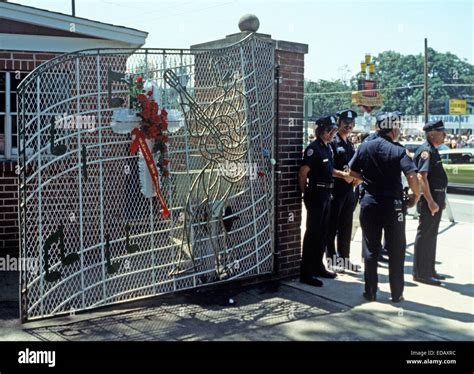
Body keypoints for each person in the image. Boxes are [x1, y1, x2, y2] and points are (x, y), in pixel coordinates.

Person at [348, 112, 420, 302]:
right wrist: (416, 195)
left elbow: (352, 171)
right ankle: (397, 294)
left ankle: (370, 292)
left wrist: (368, 181)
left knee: (371, 249)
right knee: (396, 249)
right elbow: (412, 176)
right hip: (393, 206)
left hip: (370, 202)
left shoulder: (365, 146)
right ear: (393, 129)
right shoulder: (398, 150)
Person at [299, 115, 350, 287]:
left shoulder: (328, 148)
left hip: (328, 193)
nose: (332, 134)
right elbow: (303, 173)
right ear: (320, 130)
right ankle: (306, 272)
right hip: (316, 194)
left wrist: (342, 174)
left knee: (323, 232)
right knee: (312, 233)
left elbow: (329, 170)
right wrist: (305, 193)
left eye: (334, 131)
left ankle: (318, 266)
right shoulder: (313, 149)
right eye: (329, 130)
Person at [413, 120, 449, 286]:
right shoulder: (426, 150)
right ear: (431, 133)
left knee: (431, 236)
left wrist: (439, 201)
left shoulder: (433, 149)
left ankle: (429, 269)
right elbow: (421, 177)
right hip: (430, 200)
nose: (445, 135)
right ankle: (421, 273)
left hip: (436, 199)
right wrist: (431, 201)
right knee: (425, 235)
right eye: (442, 132)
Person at [327, 109, 361, 272]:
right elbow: (327, 167)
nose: (349, 125)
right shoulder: (333, 142)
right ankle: (332, 259)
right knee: (332, 226)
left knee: (346, 227)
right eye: (345, 122)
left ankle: (344, 259)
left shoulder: (349, 144)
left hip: (349, 191)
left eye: (351, 123)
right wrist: (343, 175)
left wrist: (356, 177)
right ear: (339, 123)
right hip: (336, 190)